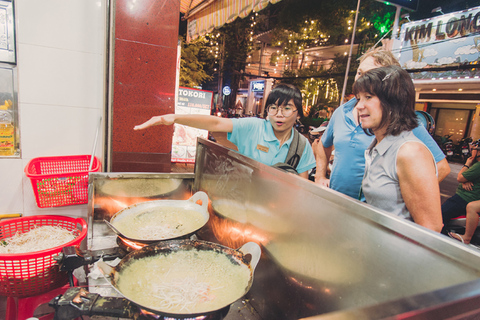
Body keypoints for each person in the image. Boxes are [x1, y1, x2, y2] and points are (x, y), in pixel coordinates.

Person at [315, 47, 450, 200]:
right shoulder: (341, 111)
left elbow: (442, 167)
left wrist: (403, 200)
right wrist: (320, 176)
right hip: (335, 201)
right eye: (360, 73)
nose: (361, 80)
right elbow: (323, 144)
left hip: (374, 213)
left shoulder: (403, 121)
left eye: (370, 75)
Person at [134, 83, 316, 178]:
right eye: (273, 108)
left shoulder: (302, 145)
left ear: (298, 113)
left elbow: (301, 185)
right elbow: (216, 124)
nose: (279, 115)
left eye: (286, 108)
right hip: (244, 200)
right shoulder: (254, 127)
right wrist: (175, 118)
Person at [355, 65, 442, 232]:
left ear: (393, 102)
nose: (359, 106)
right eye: (359, 98)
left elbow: (430, 229)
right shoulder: (378, 145)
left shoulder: (410, 152)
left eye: (368, 97)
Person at [442, 146, 480, 234]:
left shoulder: (478, 165)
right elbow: (464, 177)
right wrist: (464, 181)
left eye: (474, 149)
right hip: (467, 198)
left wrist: (467, 164)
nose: (472, 150)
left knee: (440, 216)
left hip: (464, 198)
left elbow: (460, 177)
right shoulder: (476, 164)